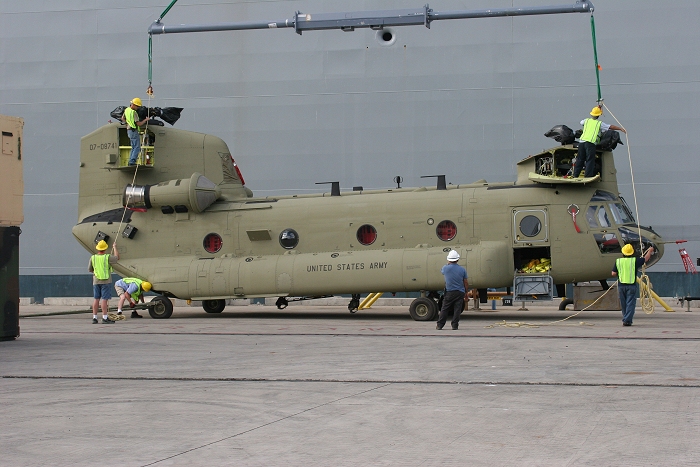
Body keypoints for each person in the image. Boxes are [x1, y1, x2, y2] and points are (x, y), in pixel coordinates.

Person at [573, 106, 627, 178]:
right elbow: (610, 126)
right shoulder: (599, 123)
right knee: (590, 159)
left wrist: (597, 108)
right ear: (599, 115)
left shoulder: (586, 121)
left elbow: (581, 122)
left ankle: (575, 175)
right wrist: (620, 128)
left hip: (582, 142)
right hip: (590, 143)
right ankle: (588, 176)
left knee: (580, 159)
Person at [612, 243, 654, 326]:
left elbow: (613, 273)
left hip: (621, 285)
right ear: (632, 253)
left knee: (623, 304)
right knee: (630, 303)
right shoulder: (635, 260)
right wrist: (650, 251)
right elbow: (646, 259)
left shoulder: (618, 261)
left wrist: (620, 274)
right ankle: (627, 320)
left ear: (623, 252)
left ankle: (625, 318)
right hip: (631, 285)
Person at [436, 250, 469, 330]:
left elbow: (442, 271)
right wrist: (466, 292)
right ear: (457, 259)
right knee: (457, 309)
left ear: (448, 259)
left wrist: (448, 264)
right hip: (460, 292)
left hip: (449, 292)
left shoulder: (445, 268)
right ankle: (455, 325)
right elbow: (465, 282)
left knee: (445, 308)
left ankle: (440, 325)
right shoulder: (462, 269)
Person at [89, 240, 119, 324]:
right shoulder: (107, 257)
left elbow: (90, 269)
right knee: (104, 300)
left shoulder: (93, 257)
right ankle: (104, 318)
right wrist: (115, 247)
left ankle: (94, 318)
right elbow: (117, 258)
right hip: (106, 281)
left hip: (96, 281)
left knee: (96, 299)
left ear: (98, 248)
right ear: (105, 248)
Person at [121, 97, 149, 166]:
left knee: (133, 147)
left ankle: (131, 160)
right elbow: (139, 124)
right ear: (134, 105)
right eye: (137, 106)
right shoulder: (134, 113)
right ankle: (132, 162)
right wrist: (146, 120)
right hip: (133, 131)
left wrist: (127, 123)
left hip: (129, 131)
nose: (138, 108)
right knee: (137, 147)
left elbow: (122, 118)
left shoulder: (126, 110)